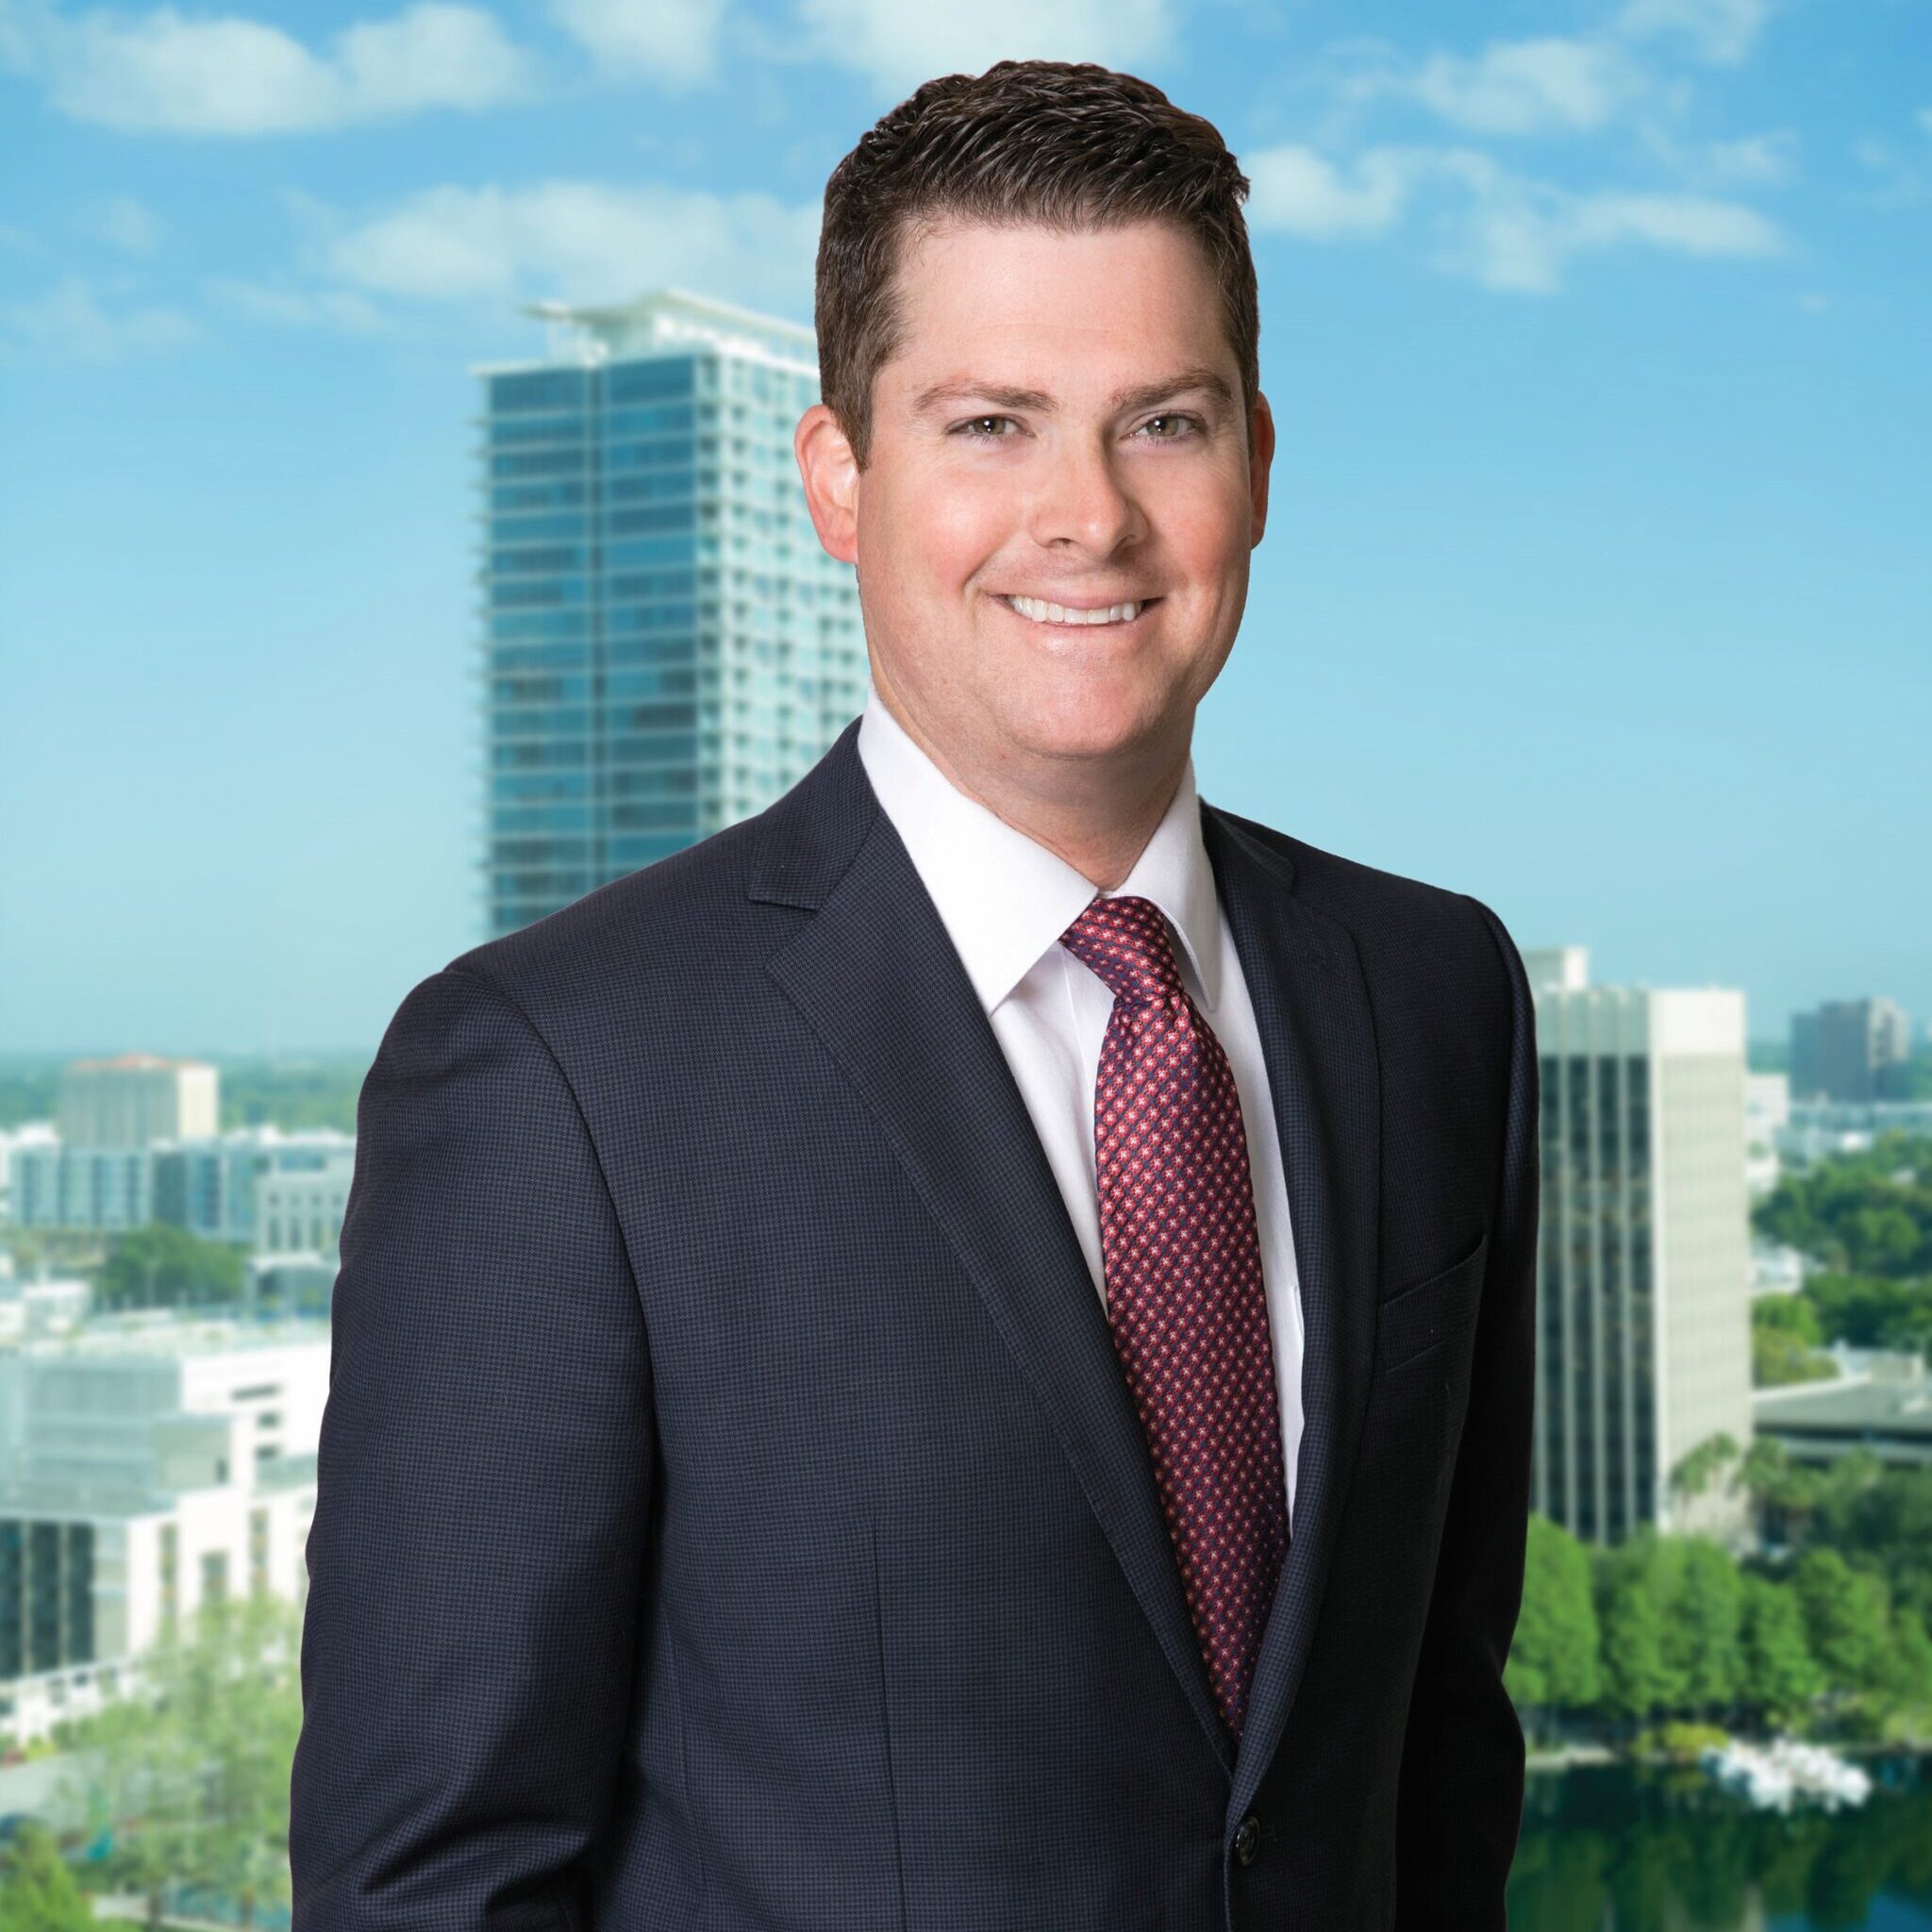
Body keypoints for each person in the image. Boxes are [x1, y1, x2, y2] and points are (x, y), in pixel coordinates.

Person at [289, 58, 1539, 1932]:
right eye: (989, 424)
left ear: (1258, 467)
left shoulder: (1434, 994)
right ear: (837, 482)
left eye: (1162, 422)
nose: (1086, 517)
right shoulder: (555, 1076)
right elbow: (430, 1888)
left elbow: (1434, 1748)